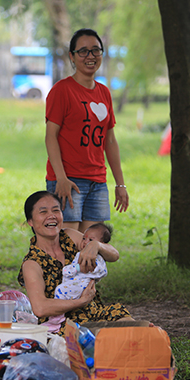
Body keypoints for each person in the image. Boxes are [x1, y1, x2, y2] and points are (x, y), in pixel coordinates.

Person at [45, 28, 129, 234]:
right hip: (69, 179)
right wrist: (61, 178)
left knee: (93, 246)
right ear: (72, 57)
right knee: (69, 244)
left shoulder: (104, 93)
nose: (90, 56)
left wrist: (120, 184)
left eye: (95, 50)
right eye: (83, 51)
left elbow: (110, 141)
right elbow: (50, 137)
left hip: (98, 182)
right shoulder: (62, 90)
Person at [18, 191, 132, 335]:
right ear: (31, 221)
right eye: (43, 212)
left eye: (55, 210)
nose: (51, 215)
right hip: (64, 324)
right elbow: (40, 308)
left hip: (95, 312)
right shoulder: (32, 263)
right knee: (108, 340)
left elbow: (114, 255)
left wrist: (97, 245)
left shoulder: (70, 237)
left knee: (130, 326)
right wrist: (80, 302)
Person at [43, 223, 113, 332]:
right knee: (60, 290)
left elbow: (101, 271)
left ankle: (56, 320)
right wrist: (74, 269)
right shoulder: (79, 254)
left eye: (91, 240)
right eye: (84, 238)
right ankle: (58, 319)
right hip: (75, 282)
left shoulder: (97, 257)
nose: (85, 242)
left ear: (101, 243)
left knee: (60, 291)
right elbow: (75, 268)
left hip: (83, 285)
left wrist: (80, 268)